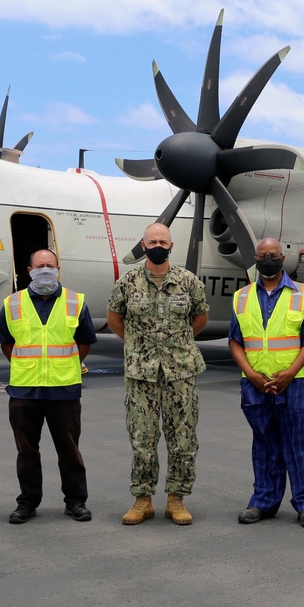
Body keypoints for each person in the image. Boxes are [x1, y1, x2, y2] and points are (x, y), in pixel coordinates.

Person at [107, 223, 209, 526]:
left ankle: (176, 500)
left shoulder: (189, 282)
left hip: (180, 373)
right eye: (152, 241)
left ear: (171, 245)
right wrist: (138, 347)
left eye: (163, 241)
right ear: (143, 244)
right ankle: (142, 500)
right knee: (142, 439)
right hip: (141, 375)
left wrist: (176, 344)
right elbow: (115, 319)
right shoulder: (127, 282)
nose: (158, 245)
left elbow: (200, 319)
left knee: (183, 439)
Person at [229, 237, 304, 529]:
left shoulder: (303, 294)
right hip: (255, 384)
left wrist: (289, 374)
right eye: (263, 255)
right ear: (256, 259)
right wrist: (253, 374)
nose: (268, 259)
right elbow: (235, 341)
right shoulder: (242, 296)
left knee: (300, 444)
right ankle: (264, 501)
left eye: (273, 254)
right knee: (264, 444)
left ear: (282, 259)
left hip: (293, 383)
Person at [0, 249, 97, 524]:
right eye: (39, 265)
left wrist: (66, 365)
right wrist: (27, 366)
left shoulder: (75, 301)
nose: (45, 269)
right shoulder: (12, 303)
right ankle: (27, 502)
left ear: (58, 270)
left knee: (69, 449)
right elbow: (6, 342)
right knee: (26, 451)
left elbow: (85, 341)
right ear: (29, 270)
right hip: (24, 389)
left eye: (49, 265)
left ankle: (76, 501)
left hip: (63, 389)